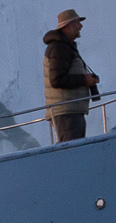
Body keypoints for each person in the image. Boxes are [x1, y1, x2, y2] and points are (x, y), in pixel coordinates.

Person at [42, 9, 99, 143]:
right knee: (72, 149)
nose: (81, 26)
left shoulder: (64, 46)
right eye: (77, 23)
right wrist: (84, 80)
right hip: (66, 112)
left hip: (69, 111)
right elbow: (57, 80)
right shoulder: (60, 48)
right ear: (68, 26)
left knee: (75, 149)